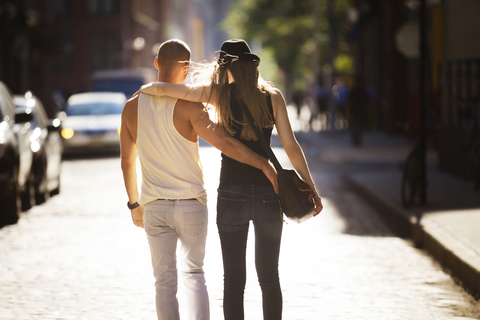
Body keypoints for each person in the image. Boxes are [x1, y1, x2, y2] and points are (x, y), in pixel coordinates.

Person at [137, 39, 323, 320]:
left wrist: (146, 89)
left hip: (231, 195)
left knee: (234, 280)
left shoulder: (217, 94)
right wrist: (311, 188)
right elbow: (292, 147)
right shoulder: (273, 97)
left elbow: (167, 89)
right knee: (270, 277)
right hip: (268, 192)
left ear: (224, 67)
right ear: (251, 65)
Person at [120, 39, 277, 320]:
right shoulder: (191, 108)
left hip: (154, 206)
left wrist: (134, 204)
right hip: (191, 203)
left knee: (163, 281)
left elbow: (127, 161)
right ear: (186, 67)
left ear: (156, 63)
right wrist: (263, 164)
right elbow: (226, 144)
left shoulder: (131, 107)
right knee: (194, 273)